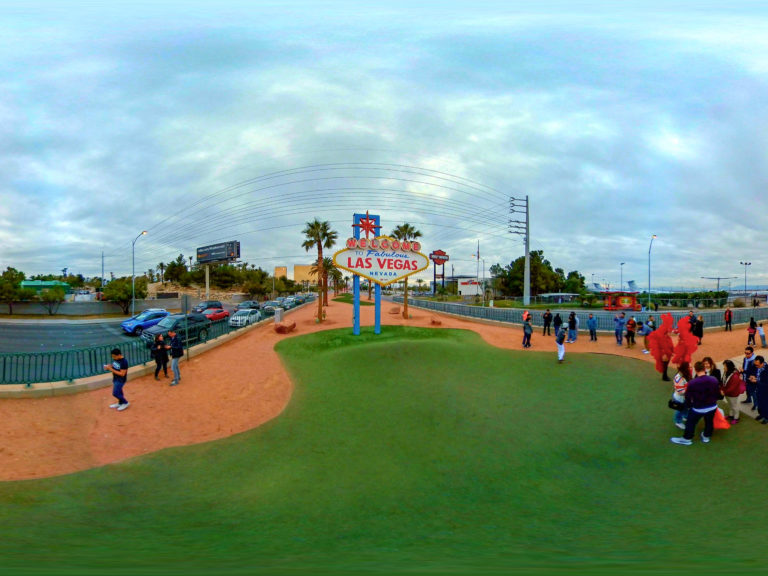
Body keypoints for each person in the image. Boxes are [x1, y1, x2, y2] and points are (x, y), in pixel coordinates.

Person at [671, 361, 722, 445]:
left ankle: (687, 438)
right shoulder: (713, 379)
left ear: (695, 369)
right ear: (704, 369)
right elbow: (717, 392)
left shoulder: (693, 383)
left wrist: (689, 406)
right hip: (712, 406)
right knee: (709, 422)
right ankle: (706, 436)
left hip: (698, 408)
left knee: (690, 422)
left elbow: (688, 397)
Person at [720, 359, 743, 424]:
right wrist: (722, 389)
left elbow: (732, 387)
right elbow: (722, 381)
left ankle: (736, 417)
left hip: (733, 394)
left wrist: (724, 392)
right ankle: (731, 415)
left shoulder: (735, 376)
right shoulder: (726, 372)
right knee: (730, 405)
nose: (724, 368)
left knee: (734, 406)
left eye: (725, 366)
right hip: (727, 393)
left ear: (729, 367)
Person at [671, 363, 691, 430]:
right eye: (689, 367)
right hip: (679, 398)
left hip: (683, 398)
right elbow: (680, 391)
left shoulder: (683, 375)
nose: (690, 369)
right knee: (679, 410)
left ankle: (685, 416)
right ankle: (678, 422)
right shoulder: (679, 378)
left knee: (685, 407)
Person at [754, 356, 768, 424]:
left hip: (765, 391)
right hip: (758, 389)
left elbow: (766, 384)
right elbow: (757, 375)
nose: (756, 366)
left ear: (762, 363)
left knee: (765, 404)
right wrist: (754, 378)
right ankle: (761, 414)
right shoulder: (758, 367)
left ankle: (766, 418)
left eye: (757, 365)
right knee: (759, 404)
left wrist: (756, 381)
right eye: (755, 364)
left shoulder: (766, 371)